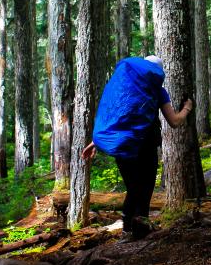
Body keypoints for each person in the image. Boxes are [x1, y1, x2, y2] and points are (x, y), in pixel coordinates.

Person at [81, 55, 193, 240]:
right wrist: (187, 108)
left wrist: (95, 141)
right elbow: (174, 121)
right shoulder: (157, 90)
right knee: (145, 188)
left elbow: (116, 118)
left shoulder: (123, 88)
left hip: (123, 146)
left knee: (133, 188)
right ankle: (141, 229)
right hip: (146, 145)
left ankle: (127, 231)